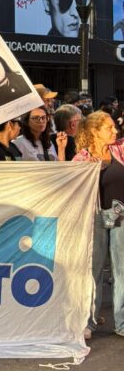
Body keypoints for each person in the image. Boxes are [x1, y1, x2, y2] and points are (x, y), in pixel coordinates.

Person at [73, 111, 124, 339]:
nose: (115, 131)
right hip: (95, 217)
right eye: (109, 127)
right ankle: (89, 321)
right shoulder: (81, 158)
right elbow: (71, 187)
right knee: (93, 270)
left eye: (114, 126)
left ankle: (121, 323)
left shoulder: (120, 148)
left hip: (121, 214)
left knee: (121, 270)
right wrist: (87, 170)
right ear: (95, 131)